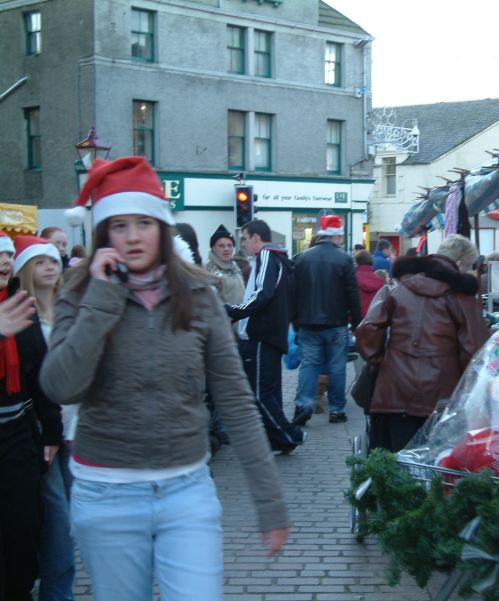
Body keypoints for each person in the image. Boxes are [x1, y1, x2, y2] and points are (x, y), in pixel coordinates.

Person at [39, 156, 289, 601]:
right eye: (118, 225)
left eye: (143, 222)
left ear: (161, 227)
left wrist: (269, 501)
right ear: (103, 233)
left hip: (186, 490)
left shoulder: (197, 294)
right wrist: (103, 299)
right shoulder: (78, 292)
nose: (132, 236)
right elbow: (61, 386)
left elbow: (235, 399)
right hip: (106, 492)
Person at [356, 234, 489, 452]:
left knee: (393, 466)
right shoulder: (462, 297)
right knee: (433, 466)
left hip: (394, 390)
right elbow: (474, 350)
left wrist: (384, 360)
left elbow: (368, 329)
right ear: (458, 264)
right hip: (442, 395)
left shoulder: (397, 287)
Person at [13, 236, 77, 601]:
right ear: (26, 270)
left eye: (53, 261)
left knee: (70, 519)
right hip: (43, 433)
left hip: (75, 430)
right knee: (58, 521)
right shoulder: (21, 316)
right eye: (40, 262)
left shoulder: (70, 309)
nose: (50, 267)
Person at [0, 232, 63, 601]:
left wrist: (51, 433)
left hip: (18, 435)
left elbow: (42, 380)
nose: (5, 262)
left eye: (8, 256)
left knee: (24, 525)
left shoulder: (21, 308)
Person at [225, 220, 306, 454]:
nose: (243, 243)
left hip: (261, 335)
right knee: (269, 392)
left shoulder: (267, 256)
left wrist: (234, 311)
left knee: (260, 393)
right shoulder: (280, 259)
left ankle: (291, 434)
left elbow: (262, 293)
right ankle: (281, 440)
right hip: (272, 334)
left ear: (256, 238)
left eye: (244, 238)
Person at [292, 215, 361, 426]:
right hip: (336, 322)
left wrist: (296, 323)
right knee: (337, 367)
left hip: (308, 323)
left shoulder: (301, 258)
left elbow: (294, 293)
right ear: (337, 235)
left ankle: (303, 405)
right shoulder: (344, 259)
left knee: (309, 365)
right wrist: (356, 323)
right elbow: (352, 294)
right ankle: (337, 410)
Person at [204, 225, 245, 307]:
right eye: (221, 246)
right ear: (213, 248)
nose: (226, 249)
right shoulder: (208, 269)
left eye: (229, 245)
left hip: (239, 317)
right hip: (222, 318)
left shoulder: (235, 266)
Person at [353, 250, 385, 317]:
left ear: (356, 262)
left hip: (357, 317)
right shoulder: (379, 280)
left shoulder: (353, 278)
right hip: (374, 318)